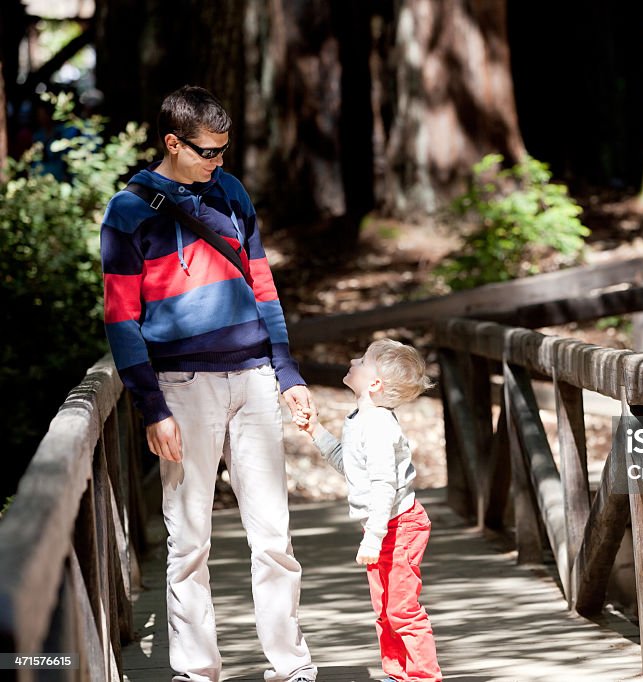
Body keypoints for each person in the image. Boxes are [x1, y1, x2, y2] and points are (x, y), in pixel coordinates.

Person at [100, 85, 317, 682]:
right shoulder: (128, 211)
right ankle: (197, 672)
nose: (217, 162)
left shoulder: (232, 191)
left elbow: (264, 286)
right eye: (207, 152)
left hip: (252, 379)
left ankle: (291, 666)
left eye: (224, 151)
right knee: (188, 541)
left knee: (274, 536)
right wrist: (151, 406)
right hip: (182, 385)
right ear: (173, 142)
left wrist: (287, 371)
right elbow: (121, 318)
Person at [293, 339, 442, 682]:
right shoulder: (361, 418)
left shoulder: (377, 426)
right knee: (384, 608)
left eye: (363, 360)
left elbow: (383, 486)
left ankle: (423, 676)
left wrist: (374, 538)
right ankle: (396, 673)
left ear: (374, 383)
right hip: (382, 526)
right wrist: (315, 430)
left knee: (402, 609)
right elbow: (350, 465)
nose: (352, 359)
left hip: (399, 526)